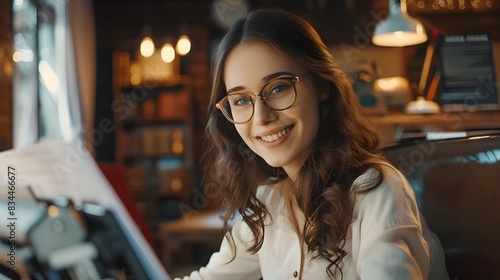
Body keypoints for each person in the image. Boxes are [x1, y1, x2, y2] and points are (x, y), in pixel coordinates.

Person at [176, 9, 448, 280]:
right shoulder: (267, 203)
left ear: (322, 86)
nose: (262, 117)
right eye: (241, 100)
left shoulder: (377, 192)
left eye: (278, 87)